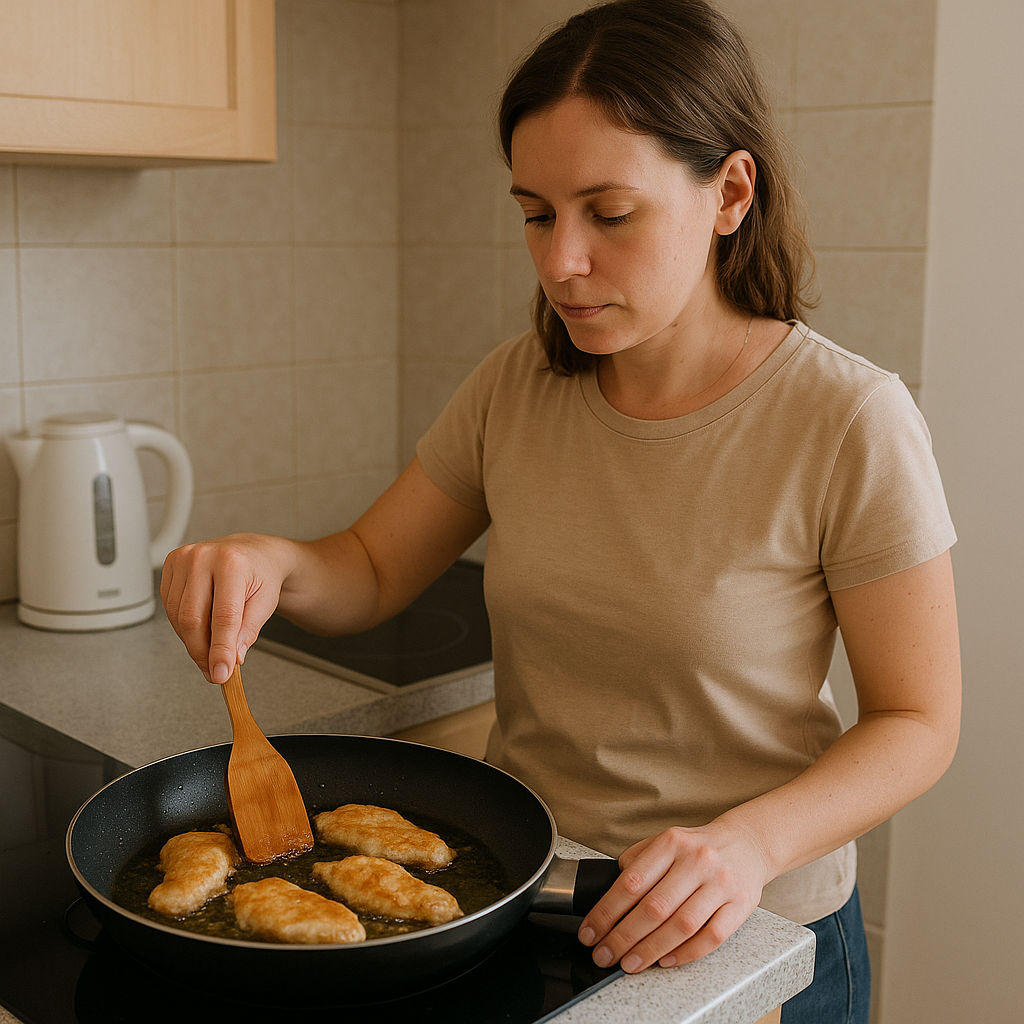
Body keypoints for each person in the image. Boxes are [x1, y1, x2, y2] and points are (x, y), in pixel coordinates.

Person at [160, 2, 961, 1021]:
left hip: (749, 932)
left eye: (608, 213)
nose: (558, 261)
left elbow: (918, 721)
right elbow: (368, 568)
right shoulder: (516, 388)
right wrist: (264, 560)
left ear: (729, 191)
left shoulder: (847, 416)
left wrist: (747, 843)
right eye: (536, 213)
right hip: (532, 897)